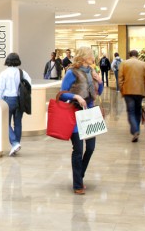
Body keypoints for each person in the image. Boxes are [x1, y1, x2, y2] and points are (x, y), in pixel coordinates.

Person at [59, 47, 103, 195]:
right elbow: (62, 94)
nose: (93, 57)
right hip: (75, 113)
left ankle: (80, 175)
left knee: (90, 148)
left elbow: (98, 91)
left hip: (90, 113)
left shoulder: (92, 71)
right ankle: (77, 184)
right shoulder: (72, 72)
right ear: (84, 57)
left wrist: (100, 82)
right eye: (91, 55)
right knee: (78, 150)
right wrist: (75, 97)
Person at [0, 53, 32, 156]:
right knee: (18, 123)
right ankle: (16, 144)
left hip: (8, 100)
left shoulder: (4, 73)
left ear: (7, 60)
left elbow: (0, 89)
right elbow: (29, 84)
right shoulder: (22, 72)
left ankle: (15, 143)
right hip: (20, 100)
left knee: (5, 122)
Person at [118, 50, 145, 142]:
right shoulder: (143, 64)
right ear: (137, 55)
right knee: (138, 111)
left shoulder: (124, 63)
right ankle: (137, 130)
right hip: (140, 91)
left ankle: (135, 130)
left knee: (131, 112)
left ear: (129, 55)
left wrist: (122, 90)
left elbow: (120, 79)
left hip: (128, 91)